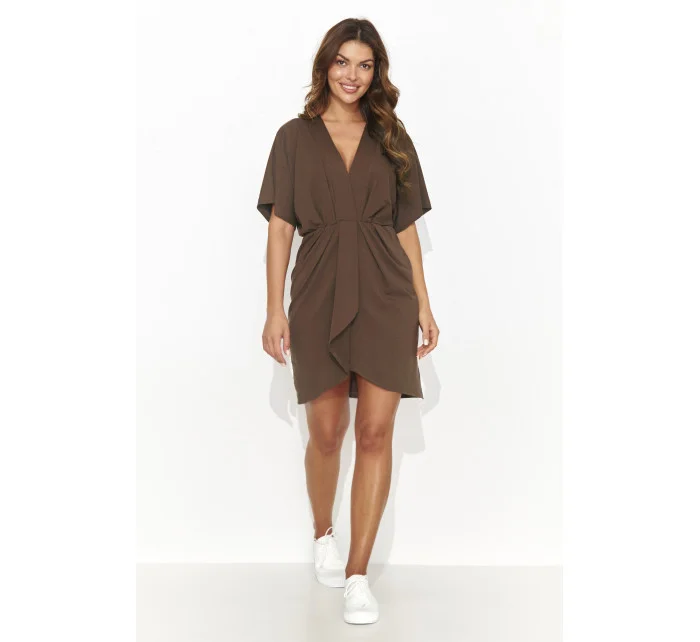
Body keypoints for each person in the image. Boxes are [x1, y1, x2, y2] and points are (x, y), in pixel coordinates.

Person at [256, 18, 439, 625]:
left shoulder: (392, 136)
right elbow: (281, 229)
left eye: (364, 64)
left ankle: (358, 575)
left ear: (376, 71)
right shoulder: (293, 137)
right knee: (328, 432)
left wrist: (424, 302)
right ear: (325, 65)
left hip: (386, 292)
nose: (352, 75)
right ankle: (323, 532)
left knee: (377, 432)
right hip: (318, 291)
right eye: (342, 62)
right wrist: (274, 309)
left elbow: (406, 228)